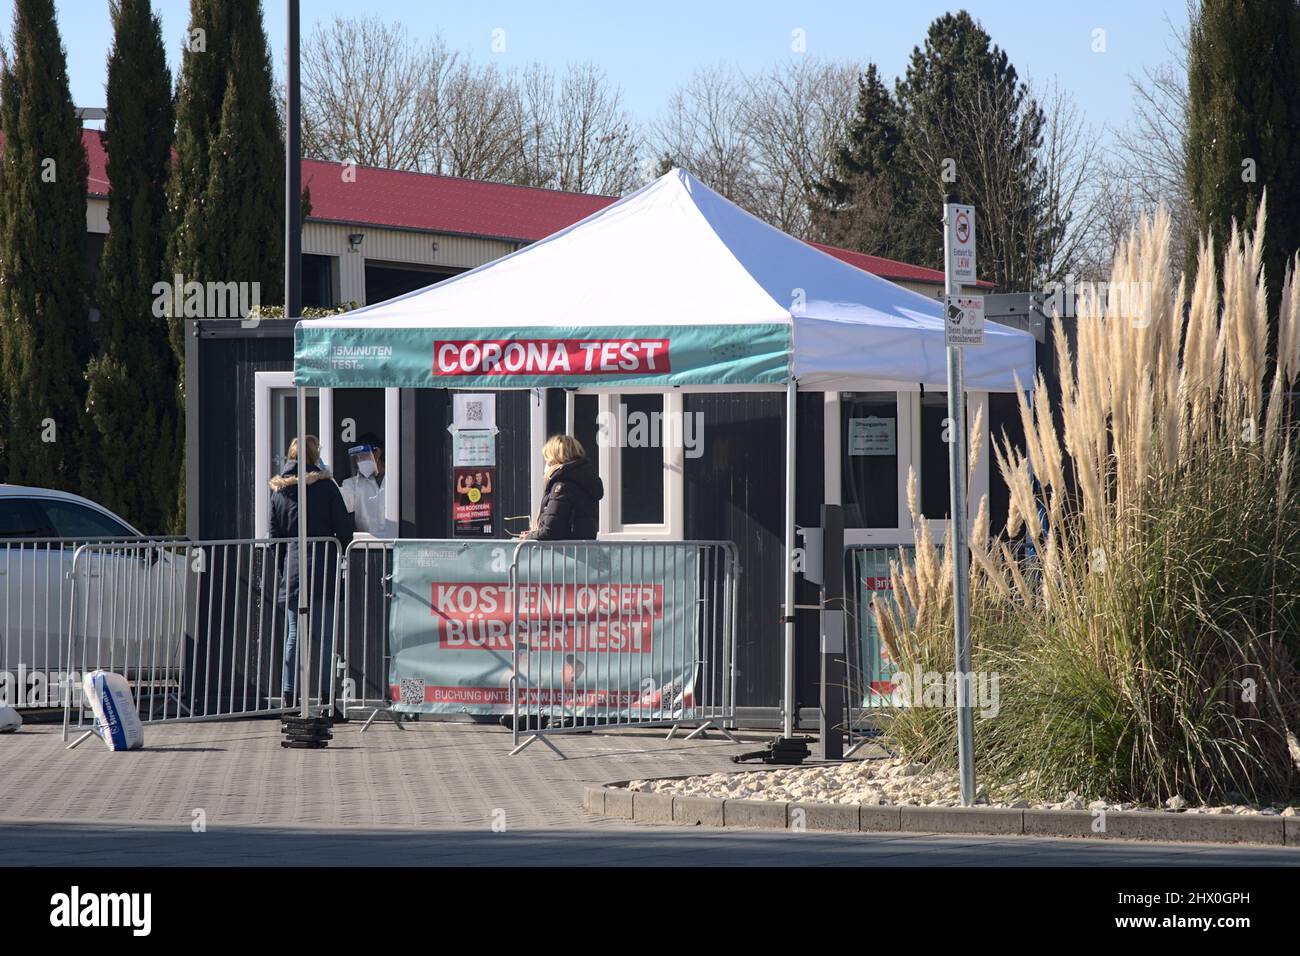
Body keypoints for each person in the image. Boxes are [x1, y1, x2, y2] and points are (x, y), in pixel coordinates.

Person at [269, 435, 354, 708]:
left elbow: (274, 539)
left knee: (295, 636)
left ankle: (289, 698)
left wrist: (284, 566)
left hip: (294, 571)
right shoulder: (327, 488)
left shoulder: (280, 491)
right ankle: (328, 701)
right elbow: (344, 531)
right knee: (327, 638)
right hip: (324, 567)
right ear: (314, 456)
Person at [522, 434, 603, 540]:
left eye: (548, 459)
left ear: (555, 459)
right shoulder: (585, 480)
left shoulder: (562, 487)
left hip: (566, 553)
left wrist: (529, 536)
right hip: (582, 550)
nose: (547, 464)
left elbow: (550, 531)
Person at [339, 433, 396, 537]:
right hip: (366, 546)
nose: (359, 461)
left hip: (394, 543)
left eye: (363, 456)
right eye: (357, 458)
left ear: (377, 453)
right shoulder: (353, 484)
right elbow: (341, 504)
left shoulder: (395, 480)